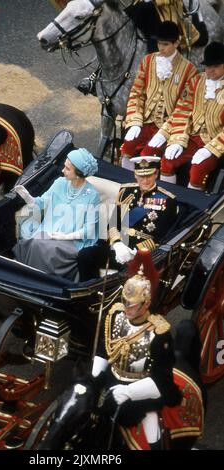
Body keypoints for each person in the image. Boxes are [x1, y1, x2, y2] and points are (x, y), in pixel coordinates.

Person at [38, 250, 204, 450]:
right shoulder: (116, 315)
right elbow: (104, 348)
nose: (126, 309)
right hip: (111, 379)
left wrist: (128, 392)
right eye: (125, 302)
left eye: (132, 306)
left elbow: (161, 380)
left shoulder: (159, 333)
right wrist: (93, 378)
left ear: (146, 304)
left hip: (141, 391)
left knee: (151, 434)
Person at [77, 156, 177, 281]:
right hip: (118, 247)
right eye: (141, 176)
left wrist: (135, 251)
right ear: (135, 175)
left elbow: (161, 237)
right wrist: (117, 244)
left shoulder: (167, 200)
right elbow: (113, 223)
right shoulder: (126, 191)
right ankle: (88, 293)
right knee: (85, 255)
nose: (145, 181)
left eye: (149, 176)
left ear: (156, 174)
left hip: (140, 254)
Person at [120, 21, 198, 171]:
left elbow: (184, 110)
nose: (160, 48)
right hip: (145, 122)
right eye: (159, 43)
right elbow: (137, 94)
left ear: (176, 43)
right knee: (127, 148)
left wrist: (164, 133)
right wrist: (135, 121)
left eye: (165, 44)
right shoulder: (147, 61)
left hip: (168, 125)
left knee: (147, 155)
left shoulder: (189, 70)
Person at [13, 148, 99, 282]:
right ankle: (28, 278)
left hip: (73, 240)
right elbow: (42, 202)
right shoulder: (59, 182)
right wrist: (28, 197)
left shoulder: (92, 195)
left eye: (67, 168)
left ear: (78, 174)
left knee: (44, 246)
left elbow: (90, 229)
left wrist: (66, 236)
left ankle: (45, 282)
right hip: (49, 230)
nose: (62, 170)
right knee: (33, 241)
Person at [158, 41, 224, 190]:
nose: (210, 71)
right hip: (193, 138)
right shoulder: (196, 81)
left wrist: (210, 149)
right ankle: (168, 202)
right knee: (167, 161)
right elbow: (182, 111)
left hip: (217, 142)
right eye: (208, 66)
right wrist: (177, 140)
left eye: (216, 67)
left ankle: (193, 209)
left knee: (197, 170)